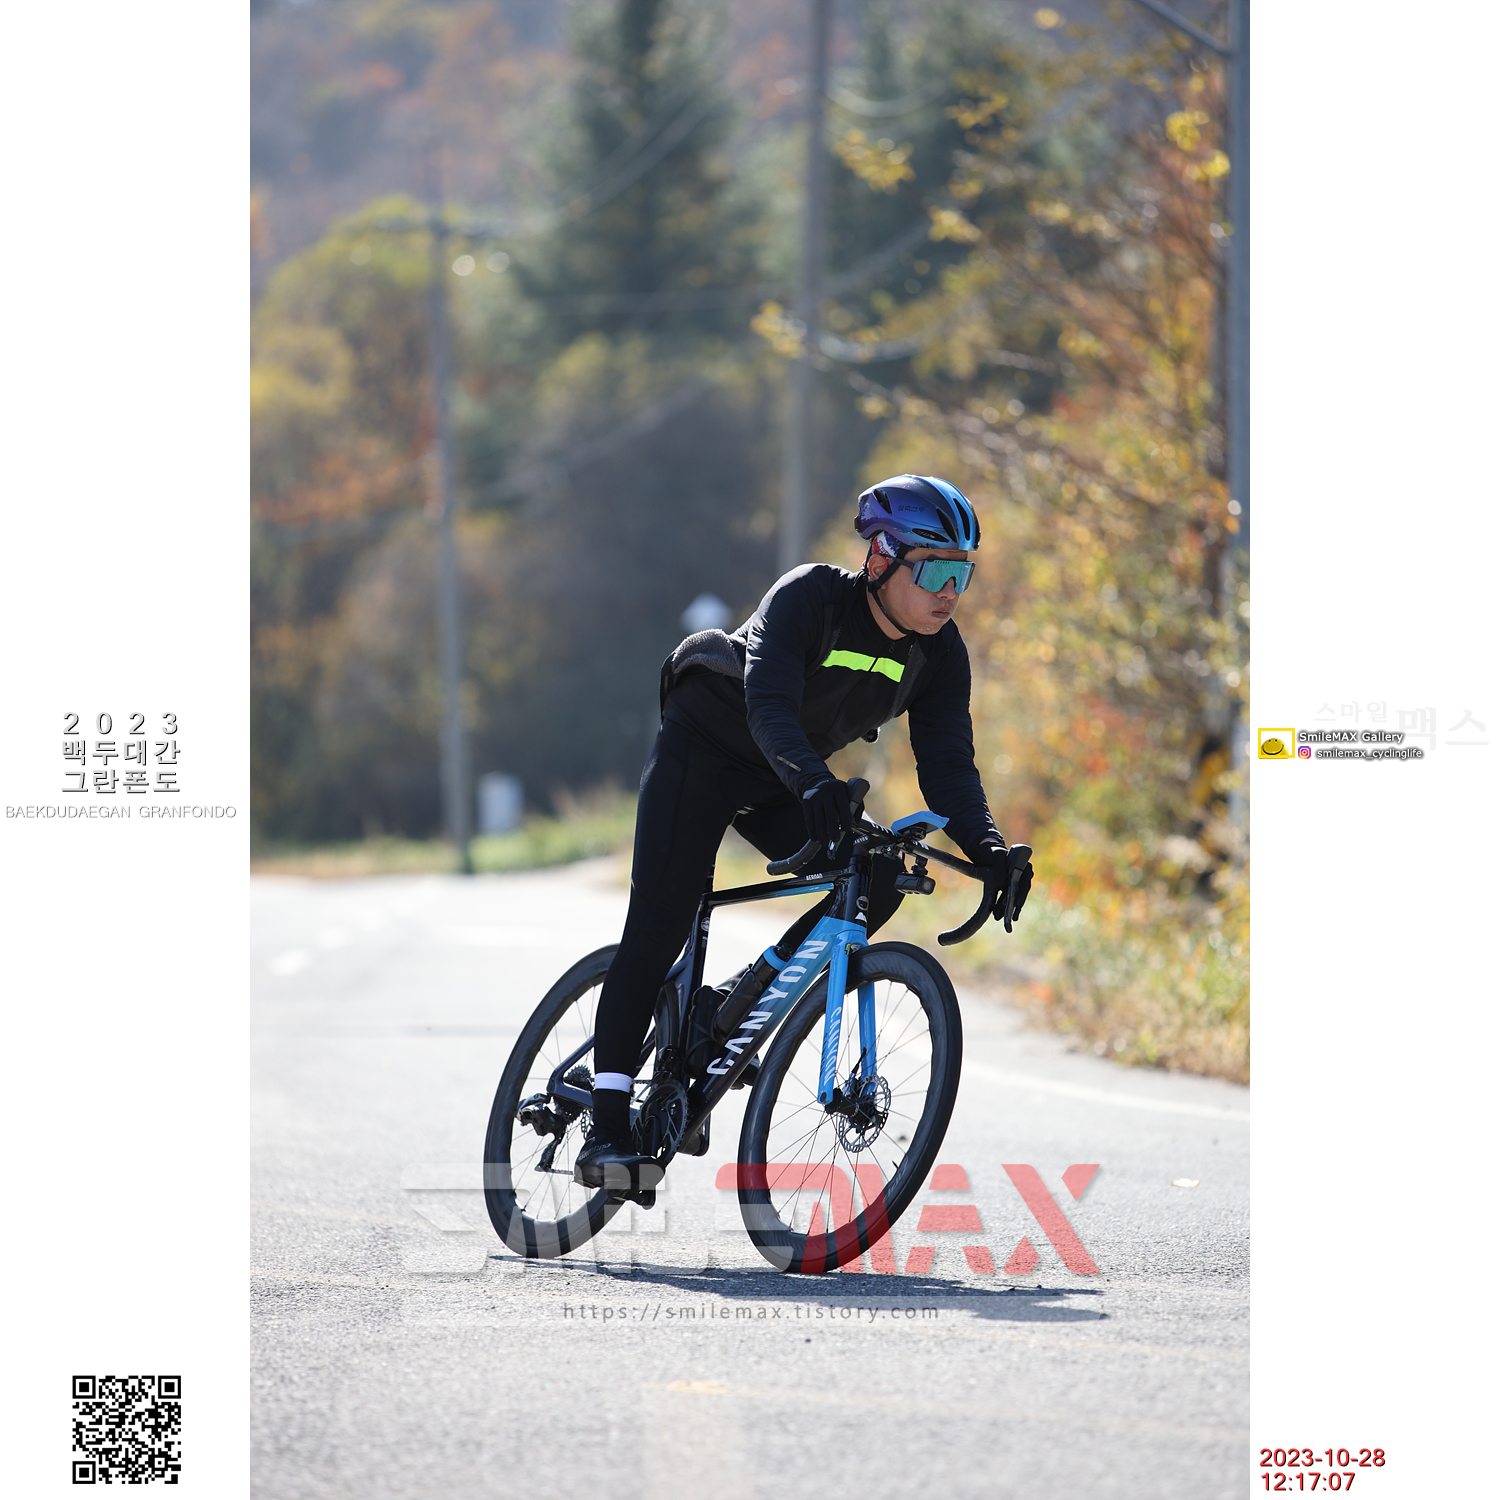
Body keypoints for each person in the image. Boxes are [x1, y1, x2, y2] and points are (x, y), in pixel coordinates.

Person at [575, 473, 1033, 1187]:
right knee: (661, 921)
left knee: (878, 873)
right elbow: (768, 705)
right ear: (881, 558)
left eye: (962, 574)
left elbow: (948, 765)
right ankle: (605, 1129)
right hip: (707, 747)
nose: (950, 591)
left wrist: (989, 848)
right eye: (934, 570)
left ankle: (726, 1011)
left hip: (784, 779)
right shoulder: (810, 598)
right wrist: (815, 782)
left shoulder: (939, 654)